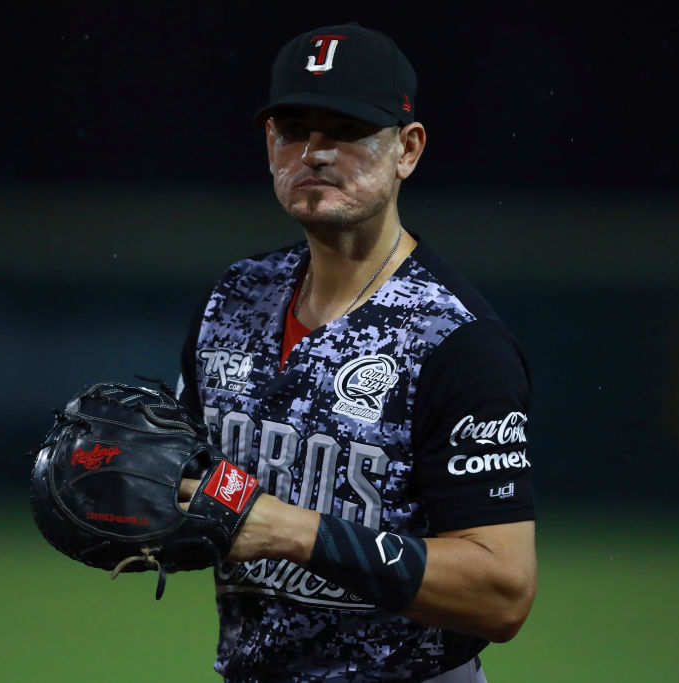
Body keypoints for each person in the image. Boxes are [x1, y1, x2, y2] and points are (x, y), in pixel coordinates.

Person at [176, 23, 536, 682]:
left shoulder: (456, 339)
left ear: (407, 149)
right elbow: (202, 506)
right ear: (269, 144)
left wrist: (295, 531)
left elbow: (503, 589)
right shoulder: (233, 301)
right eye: (294, 128)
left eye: (344, 129)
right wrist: (132, 506)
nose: (314, 152)